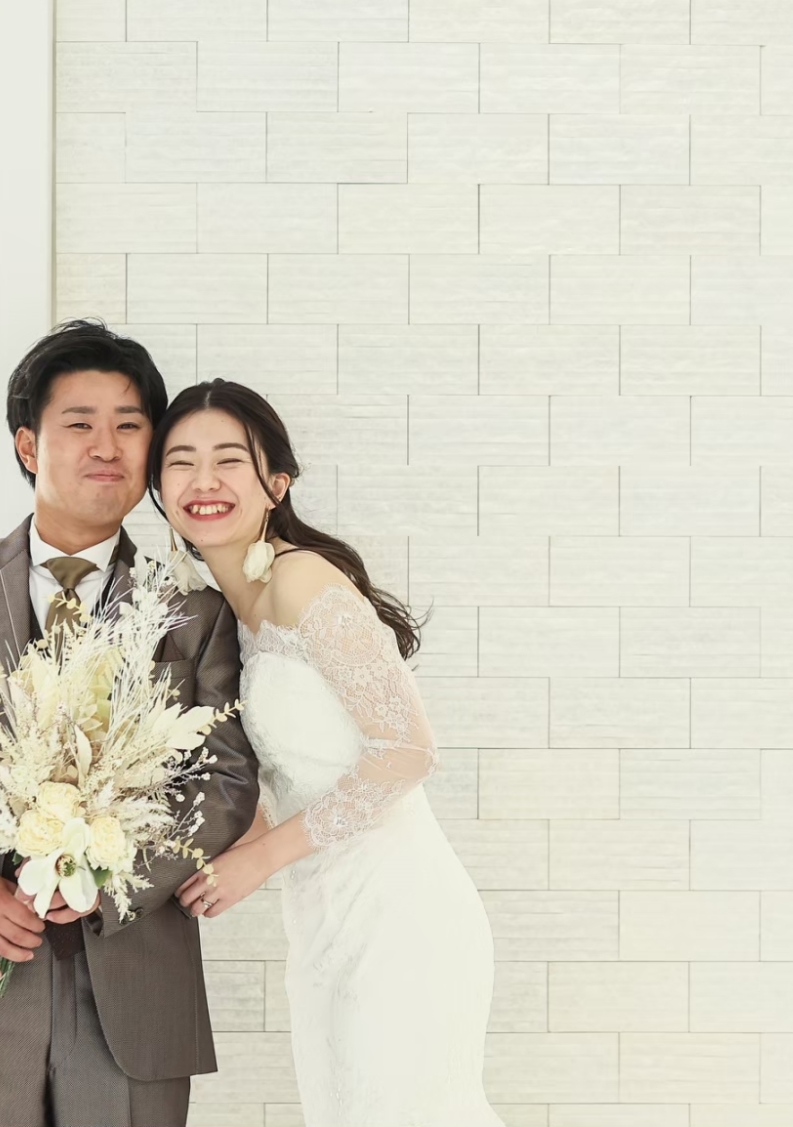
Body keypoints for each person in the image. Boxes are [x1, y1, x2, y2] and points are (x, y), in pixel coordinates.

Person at [0, 322, 258, 1127]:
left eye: (129, 424)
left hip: (129, 974)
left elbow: (226, 780)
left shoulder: (196, 611)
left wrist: (112, 879)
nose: (107, 445)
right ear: (29, 444)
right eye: (80, 422)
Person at [153, 379, 502, 1127]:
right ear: (158, 487)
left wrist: (261, 858)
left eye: (229, 460)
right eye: (181, 462)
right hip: (320, 920)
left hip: (400, 910)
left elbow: (408, 750)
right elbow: (266, 777)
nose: (204, 481)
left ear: (276, 484)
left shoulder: (302, 577)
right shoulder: (218, 616)